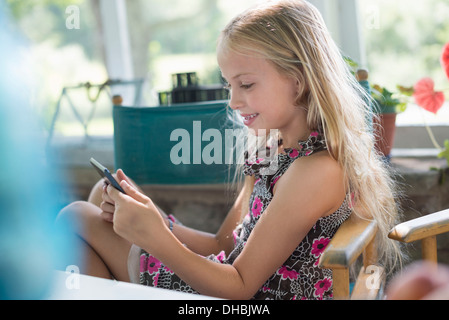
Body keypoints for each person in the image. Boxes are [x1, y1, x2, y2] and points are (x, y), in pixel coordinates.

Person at [57, 0, 403, 300]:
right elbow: (223, 245)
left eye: (246, 84)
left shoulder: (316, 171)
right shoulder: (274, 150)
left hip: (238, 296)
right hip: (228, 286)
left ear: (298, 80)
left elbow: (239, 287)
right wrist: (155, 219)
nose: (234, 101)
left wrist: (157, 236)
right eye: (229, 85)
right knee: (97, 203)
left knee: (78, 218)